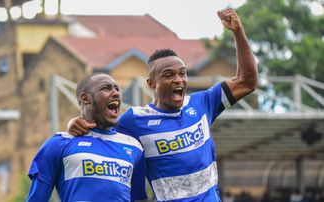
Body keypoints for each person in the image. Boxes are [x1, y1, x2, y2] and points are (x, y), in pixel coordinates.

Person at [68, 8, 257, 201]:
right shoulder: (134, 120)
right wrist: (76, 122)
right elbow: (101, 132)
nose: (178, 80)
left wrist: (238, 32)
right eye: (168, 75)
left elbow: (247, 81)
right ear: (151, 84)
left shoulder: (202, 102)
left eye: (182, 73)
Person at [27, 74, 146, 202]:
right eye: (106, 88)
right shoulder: (58, 143)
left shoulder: (134, 146)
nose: (116, 93)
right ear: (86, 99)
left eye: (117, 89)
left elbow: (138, 198)